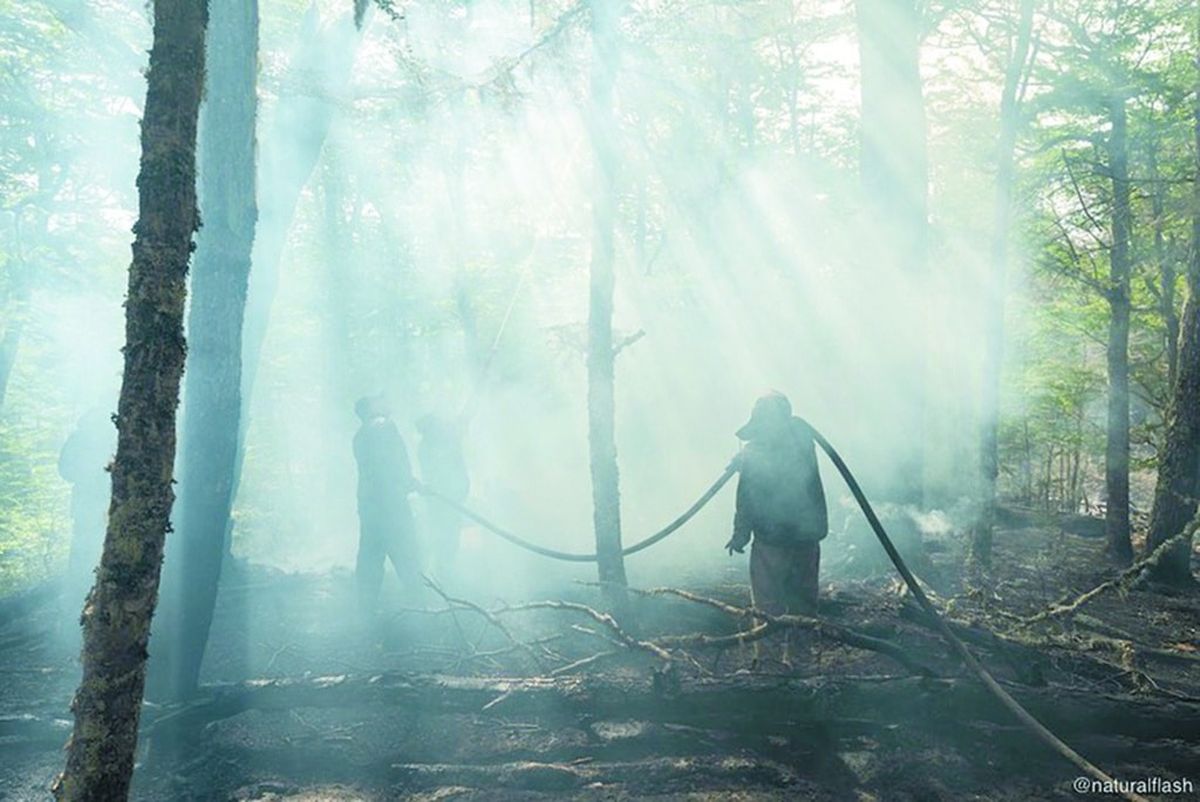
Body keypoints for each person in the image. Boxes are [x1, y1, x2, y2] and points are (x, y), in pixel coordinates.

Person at [726, 392, 829, 631]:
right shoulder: (804, 441)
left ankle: (767, 657)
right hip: (805, 539)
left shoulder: (755, 454)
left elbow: (746, 500)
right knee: (803, 607)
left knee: (767, 607)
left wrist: (740, 535)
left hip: (771, 543)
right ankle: (800, 661)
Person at [353, 395, 420, 614]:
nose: (385, 404)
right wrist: (407, 480)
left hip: (369, 504)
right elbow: (392, 460)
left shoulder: (360, 436)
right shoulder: (383, 426)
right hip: (390, 503)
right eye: (378, 402)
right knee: (406, 550)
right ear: (370, 409)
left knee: (371, 555)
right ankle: (419, 605)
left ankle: (364, 610)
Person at [58, 406, 116, 615]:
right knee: (82, 556)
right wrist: (89, 474)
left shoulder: (113, 436)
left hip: (108, 504)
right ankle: (75, 607)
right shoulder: (80, 439)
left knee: (103, 552)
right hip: (87, 506)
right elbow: (65, 469)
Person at [415, 413, 470, 582]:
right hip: (441, 500)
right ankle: (440, 574)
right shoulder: (428, 448)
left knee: (449, 536)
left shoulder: (443, 441)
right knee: (442, 536)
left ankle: (444, 572)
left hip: (450, 498)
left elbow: (464, 419)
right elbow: (437, 475)